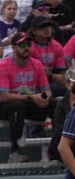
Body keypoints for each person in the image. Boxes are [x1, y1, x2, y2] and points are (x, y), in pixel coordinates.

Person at [0, 32, 54, 163]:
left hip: (29, 105)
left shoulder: (37, 64)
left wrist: (45, 98)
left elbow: (47, 90)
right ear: (13, 47)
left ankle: (60, 148)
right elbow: (5, 96)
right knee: (17, 106)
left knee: (56, 103)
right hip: (5, 107)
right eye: (22, 44)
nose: (26, 48)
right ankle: (14, 153)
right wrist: (32, 97)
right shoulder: (3, 65)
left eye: (29, 44)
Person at [27, 16, 67, 98]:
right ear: (34, 31)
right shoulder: (28, 47)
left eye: (48, 26)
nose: (46, 29)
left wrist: (62, 77)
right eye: (42, 27)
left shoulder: (57, 46)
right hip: (32, 82)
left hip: (51, 83)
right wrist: (52, 76)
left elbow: (61, 69)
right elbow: (30, 71)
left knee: (68, 87)